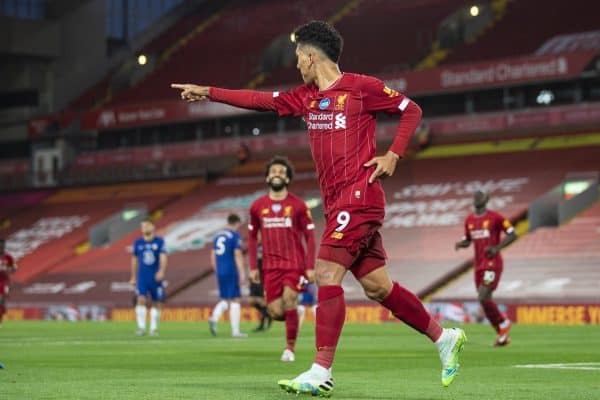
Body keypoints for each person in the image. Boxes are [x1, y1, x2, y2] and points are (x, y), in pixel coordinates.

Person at [171, 20, 466, 396]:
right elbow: (259, 100)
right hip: (338, 205)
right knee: (378, 287)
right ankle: (444, 338)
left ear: (311, 56)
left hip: (359, 198)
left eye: (298, 58)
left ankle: (320, 369)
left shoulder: (362, 88)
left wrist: (393, 154)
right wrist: (209, 92)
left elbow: (412, 110)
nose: (296, 65)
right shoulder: (306, 97)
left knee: (325, 272)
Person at [247, 156, 316, 362]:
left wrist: (310, 266)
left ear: (287, 178)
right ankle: (297, 312)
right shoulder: (257, 206)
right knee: (276, 312)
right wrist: (253, 266)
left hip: (294, 264)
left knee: (289, 299)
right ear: (268, 177)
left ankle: (289, 349)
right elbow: (251, 238)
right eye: (273, 171)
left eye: (281, 172)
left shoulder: (299, 205)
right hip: (270, 266)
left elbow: (310, 237)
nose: (277, 174)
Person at [455, 190, 516, 346]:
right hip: (479, 266)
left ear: (487, 199)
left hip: (492, 264)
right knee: (484, 300)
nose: (476, 197)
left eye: (480, 195)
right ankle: (502, 335)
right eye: (475, 196)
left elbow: (512, 234)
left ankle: (503, 323)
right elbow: (468, 239)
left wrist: (497, 248)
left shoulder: (495, 218)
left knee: (483, 296)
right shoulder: (469, 220)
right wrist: (461, 244)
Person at [208, 213, 248, 338]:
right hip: (231, 270)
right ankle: (235, 331)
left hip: (220, 270)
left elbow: (213, 255)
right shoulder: (234, 236)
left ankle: (214, 317)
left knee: (226, 299)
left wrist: (217, 270)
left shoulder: (217, 235)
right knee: (235, 299)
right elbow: (237, 254)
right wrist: (242, 271)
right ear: (237, 223)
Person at [129, 219, 167, 336]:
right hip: (142, 277)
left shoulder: (159, 241)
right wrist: (133, 276)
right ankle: (141, 328)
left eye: (147, 225)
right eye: (143, 226)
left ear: (153, 227)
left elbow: (163, 257)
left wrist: (161, 271)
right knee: (141, 299)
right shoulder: (138, 243)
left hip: (155, 277)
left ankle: (153, 328)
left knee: (157, 302)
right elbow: (134, 260)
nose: (144, 228)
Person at [248, 243, 272, 332]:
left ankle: (262, 325)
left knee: (262, 301)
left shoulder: (268, 246)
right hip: (255, 277)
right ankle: (268, 315)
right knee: (251, 301)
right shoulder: (255, 246)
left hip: (263, 277)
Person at [0, 238, 17, 325]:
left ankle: (2, 312)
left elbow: (14, 268)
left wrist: (9, 269)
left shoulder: (8, 257)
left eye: (3, 245)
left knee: (2, 299)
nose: (1, 247)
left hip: (4, 281)